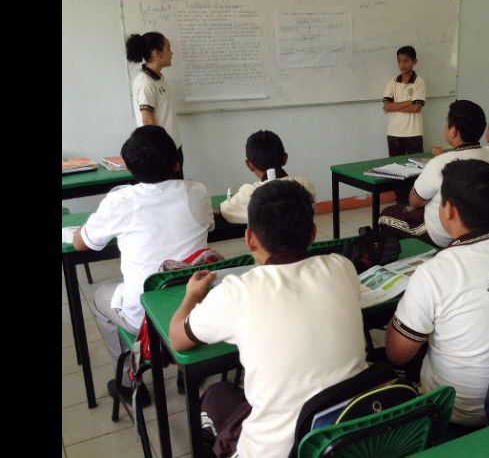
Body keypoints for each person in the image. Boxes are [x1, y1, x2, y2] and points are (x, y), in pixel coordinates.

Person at [168, 180, 368, 457]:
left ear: (250, 238)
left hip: (275, 451)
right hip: (343, 435)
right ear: (312, 232)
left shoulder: (235, 293)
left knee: (215, 395)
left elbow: (177, 339)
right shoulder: (341, 267)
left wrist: (191, 295)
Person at [385, 159, 489, 427]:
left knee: (406, 340)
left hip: (458, 412)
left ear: (448, 209)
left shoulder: (435, 272)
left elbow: (397, 354)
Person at [73, 126, 214, 403]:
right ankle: (188, 374)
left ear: (128, 167)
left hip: (145, 315)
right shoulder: (197, 192)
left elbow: (81, 244)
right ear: (177, 163)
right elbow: (209, 223)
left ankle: (130, 382)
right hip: (194, 308)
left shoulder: (120, 200)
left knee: (99, 300)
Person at [379, 99, 489, 247]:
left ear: (453, 130)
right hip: (482, 229)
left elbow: (414, 201)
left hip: (441, 235)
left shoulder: (440, 163)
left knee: (386, 215)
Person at [218, 130, 316, 224]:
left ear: (249, 165)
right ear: (285, 158)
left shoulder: (249, 193)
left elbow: (224, 211)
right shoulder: (305, 184)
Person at [125, 32, 184, 177]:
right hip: (162, 153)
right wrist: (161, 152)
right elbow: (148, 121)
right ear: (157, 53)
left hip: (173, 147)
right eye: (168, 48)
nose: (171, 53)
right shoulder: (145, 83)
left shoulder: (158, 78)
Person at [382, 46, 426, 202]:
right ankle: (400, 202)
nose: (402, 64)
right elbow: (386, 106)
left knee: (416, 169)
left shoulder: (419, 82)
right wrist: (408, 101)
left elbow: (416, 108)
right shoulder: (392, 82)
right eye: (399, 61)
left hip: (413, 132)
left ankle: (415, 200)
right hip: (394, 133)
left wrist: (396, 105)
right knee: (396, 170)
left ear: (414, 61)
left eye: (406, 60)